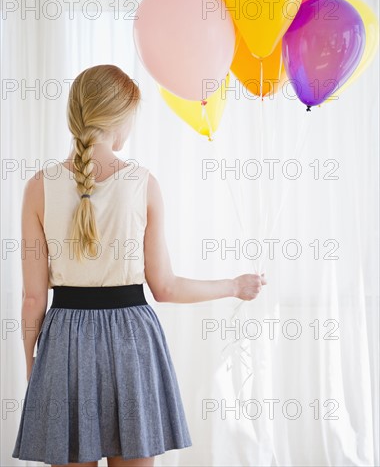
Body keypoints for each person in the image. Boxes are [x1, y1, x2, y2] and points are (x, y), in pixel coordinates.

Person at [12, 64, 267, 467]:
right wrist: (233, 285)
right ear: (120, 117)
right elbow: (165, 287)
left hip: (63, 343)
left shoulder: (37, 187)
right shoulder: (142, 182)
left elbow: (31, 298)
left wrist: (33, 369)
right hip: (132, 339)